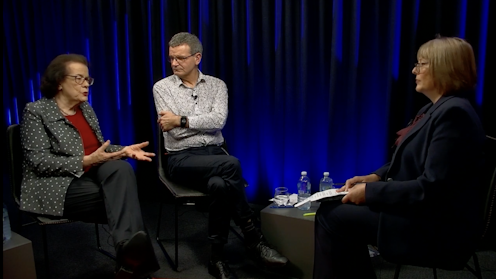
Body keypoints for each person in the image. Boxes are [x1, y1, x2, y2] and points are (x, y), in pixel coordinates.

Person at [313, 36, 486, 279]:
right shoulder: (432, 109)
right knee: (332, 209)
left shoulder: (454, 114)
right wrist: (375, 177)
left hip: (436, 225)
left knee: (333, 217)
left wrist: (370, 193)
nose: (414, 70)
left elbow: (433, 189)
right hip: (420, 210)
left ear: (443, 66)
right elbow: (408, 160)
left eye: (421, 64)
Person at [153, 32, 288, 279]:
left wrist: (180, 121)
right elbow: (173, 135)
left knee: (219, 185)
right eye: (171, 58)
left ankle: (216, 258)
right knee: (232, 164)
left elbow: (218, 120)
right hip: (181, 159)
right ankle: (253, 237)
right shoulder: (162, 87)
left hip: (214, 154)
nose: (174, 64)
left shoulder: (217, 85)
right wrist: (194, 125)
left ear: (197, 58)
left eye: (180, 58)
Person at [20, 54, 160, 279]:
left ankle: (128, 261)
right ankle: (137, 269)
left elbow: (98, 149)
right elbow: (39, 163)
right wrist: (85, 161)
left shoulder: (86, 109)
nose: (86, 84)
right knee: (122, 197)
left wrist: (123, 151)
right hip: (57, 185)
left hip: (91, 174)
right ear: (58, 82)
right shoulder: (36, 112)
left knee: (122, 170)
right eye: (79, 78)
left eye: (87, 79)